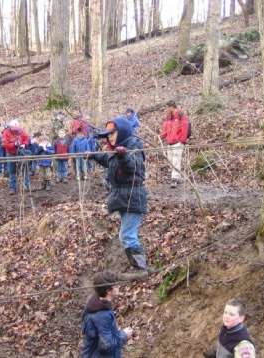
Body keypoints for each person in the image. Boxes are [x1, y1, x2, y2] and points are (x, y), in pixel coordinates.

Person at [92, 117, 148, 276]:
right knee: (126, 234)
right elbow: (109, 160)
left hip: (133, 196)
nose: (109, 137)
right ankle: (137, 266)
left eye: (112, 133)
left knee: (127, 235)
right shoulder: (116, 149)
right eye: (107, 134)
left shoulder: (134, 146)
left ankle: (141, 269)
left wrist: (123, 156)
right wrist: (93, 155)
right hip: (124, 196)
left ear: (122, 131)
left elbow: (132, 165)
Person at [81, 271, 132, 357]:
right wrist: (124, 335)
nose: (119, 287)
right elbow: (107, 345)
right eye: (116, 286)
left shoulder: (97, 302)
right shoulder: (102, 315)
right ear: (108, 291)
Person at [161, 100, 189, 188]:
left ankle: (174, 179)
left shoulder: (181, 116)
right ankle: (178, 177)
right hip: (169, 143)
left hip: (177, 143)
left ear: (171, 107)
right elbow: (166, 129)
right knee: (171, 161)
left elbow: (185, 129)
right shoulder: (168, 118)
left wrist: (182, 140)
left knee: (176, 161)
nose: (166, 110)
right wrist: (161, 136)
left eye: (167, 108)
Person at [1, 119, 31, 194]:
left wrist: (24, 144)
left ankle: (26, 185)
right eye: (14, 130)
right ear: (10, 127)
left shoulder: (21, 130)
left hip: (20, 152)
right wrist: (13, 144)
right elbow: (4, 144)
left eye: (17, 130)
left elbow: (27, 138)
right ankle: (12, 188)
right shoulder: (6, 132)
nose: (16, 131)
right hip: (10, 153)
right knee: (12, 170)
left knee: (24, 168)